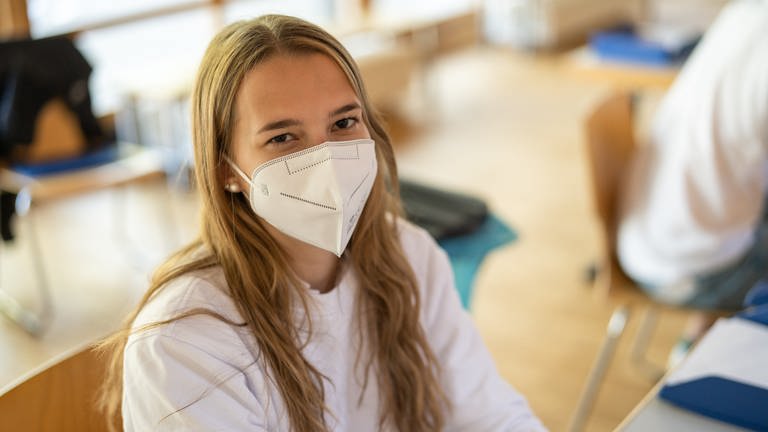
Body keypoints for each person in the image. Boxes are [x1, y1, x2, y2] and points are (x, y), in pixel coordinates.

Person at [98, 14, 545, 432]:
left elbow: (487, 412)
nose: (326, 158)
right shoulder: (185, 342)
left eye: (344, 122)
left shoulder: (410, 254)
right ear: (226, 170)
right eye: (283, 137)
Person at [617, 0, 768, 356]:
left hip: (649, 233)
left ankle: (698, 340)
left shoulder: (746, 12)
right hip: (687, 268)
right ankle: (708, 356)